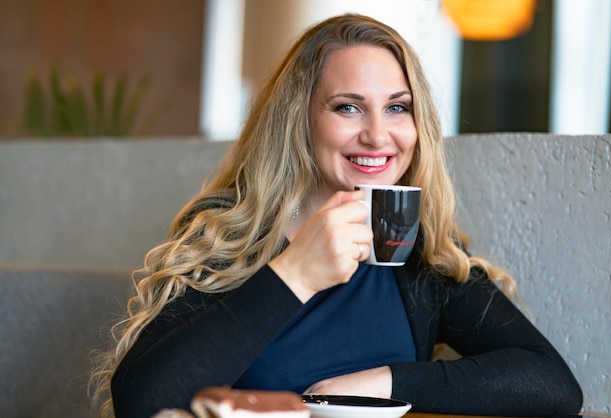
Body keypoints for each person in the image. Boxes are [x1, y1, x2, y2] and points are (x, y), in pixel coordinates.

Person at [90, 13, 583, 418]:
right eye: (348, 108)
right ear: (299, 121)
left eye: (397, 108)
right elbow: (141, 400)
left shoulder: (417, 250)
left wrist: (382, 383)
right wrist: (295, 275)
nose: (377, 134)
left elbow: (552, 384)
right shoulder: (230, 234)